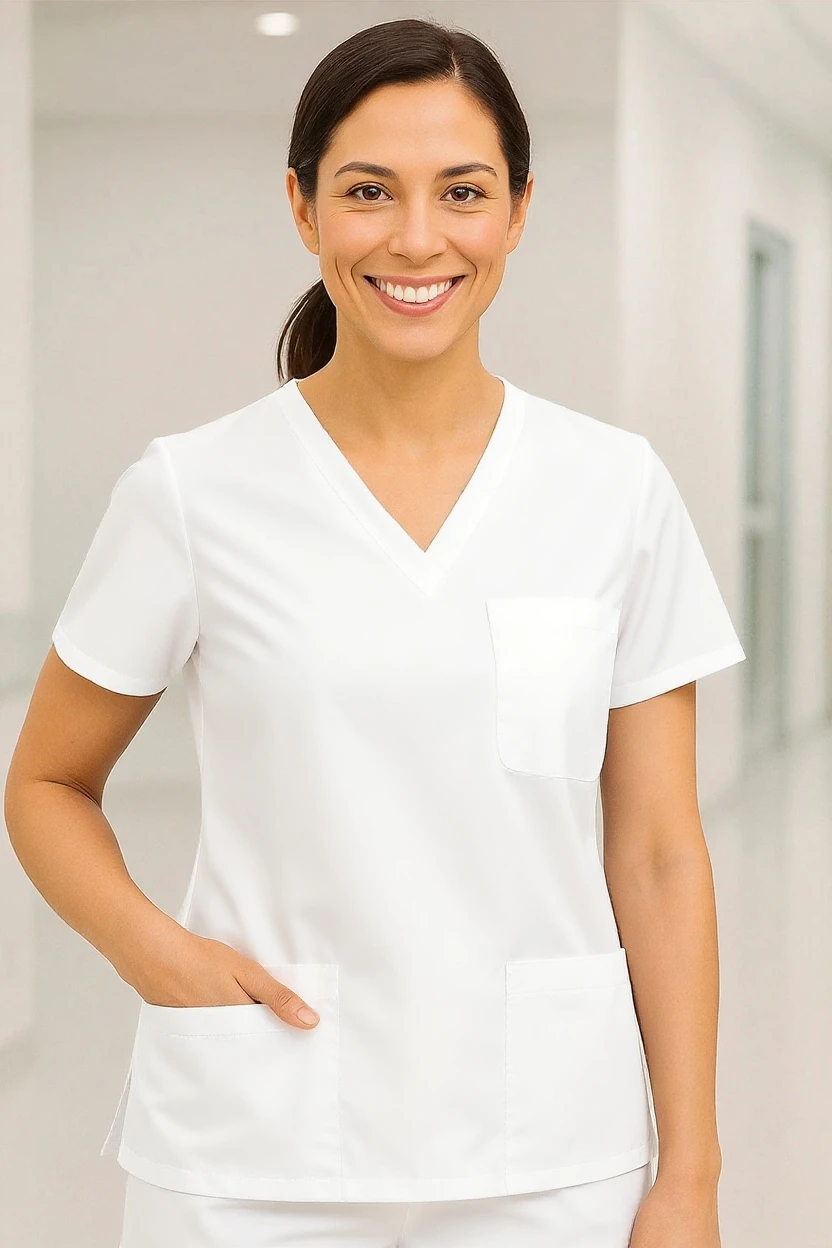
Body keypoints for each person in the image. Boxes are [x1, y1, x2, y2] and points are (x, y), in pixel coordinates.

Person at [4, 16, 744, 1248]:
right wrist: (157, 955)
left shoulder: (614, 491)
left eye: (462, 191)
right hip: (253, 1151)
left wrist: (692, 1175)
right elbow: (44, 780)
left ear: (515, 210)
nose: (416, 238)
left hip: (550, 1154)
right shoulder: (193, 491)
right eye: (366, 192)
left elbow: (661, 851)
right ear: (301, 208)